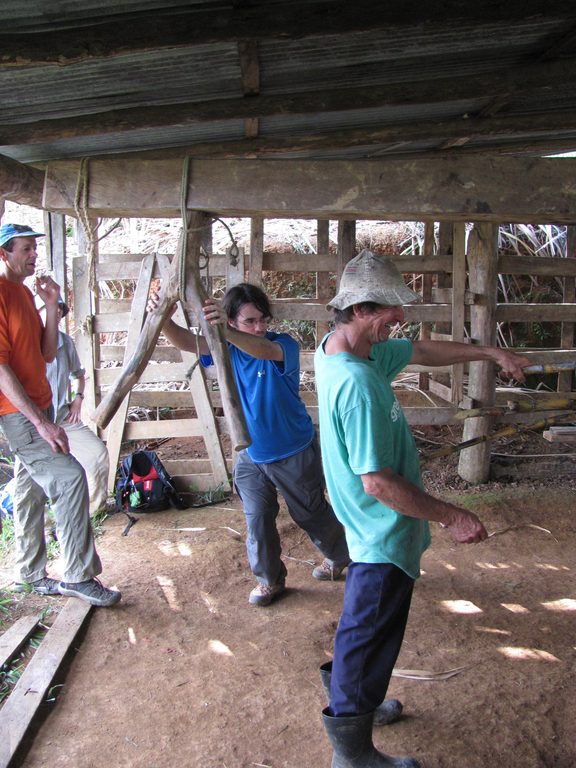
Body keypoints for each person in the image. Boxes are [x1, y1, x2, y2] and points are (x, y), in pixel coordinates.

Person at [314, 250, 530, 768]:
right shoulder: (358, 384)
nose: (401, 318)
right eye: (392, 309)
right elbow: (379, 484)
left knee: (364, 626)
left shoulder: (341, 349)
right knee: (368, 634)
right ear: (362, 308)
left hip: (364, 525)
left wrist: (489, 355)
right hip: (380, 531)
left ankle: (360, 704)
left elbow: (422, 350)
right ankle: (353, 749)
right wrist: (453, 515)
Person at [153, 282, 350, 606]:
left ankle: (341, 555)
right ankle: (270, 580)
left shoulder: (281, 345)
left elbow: (261, 349)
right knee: (257, 519)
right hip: (251, 454)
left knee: (310, 515)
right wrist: (164, 320)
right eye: (250, 321)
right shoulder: (223, 350)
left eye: (262, 320)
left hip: (293, 451)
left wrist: (224, 332)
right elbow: (189, 342)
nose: (260, 327)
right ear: (231, 321)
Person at [0, 223, 120, 607]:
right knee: (69, 478)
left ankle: (31, 572)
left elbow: (48, 352)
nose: (34, 254)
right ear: (4, 253)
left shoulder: (21, 293)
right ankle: (78, 575)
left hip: (40, 405)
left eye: (35, 247)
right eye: (26, 249)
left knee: (29, 487)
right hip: (20, 414)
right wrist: (40, 421)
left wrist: (51, 305)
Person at [44, 299, 110, 516]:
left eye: (59, 311)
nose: (55, 315)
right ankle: (46, 521)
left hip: (63, 418)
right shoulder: (26, 343)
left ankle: (93, 511)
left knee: (97, 453)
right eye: (50, 310)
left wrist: (78, 398)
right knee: (40, 473)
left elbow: (79, 375)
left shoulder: (65, 343)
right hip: (35, 421)